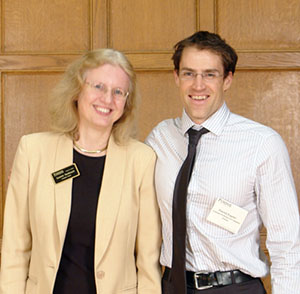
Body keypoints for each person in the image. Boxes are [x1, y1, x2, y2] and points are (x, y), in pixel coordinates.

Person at [146, 31, 300, 294]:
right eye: (189, 73)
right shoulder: (159, 139)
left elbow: (287, 242)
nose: (198, 85)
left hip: (235, 288)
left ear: (227, 80)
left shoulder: (262, 144)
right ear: (176, 77)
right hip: (171, 286)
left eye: (210, 74)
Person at [0, 48, 162, 294]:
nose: (107, 99)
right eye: (98, 86)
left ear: (126, 102)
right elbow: (15, 247)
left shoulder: (141, 160)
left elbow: (148, 260)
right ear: (76, 90)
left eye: (118, 92)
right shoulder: (33, 151)